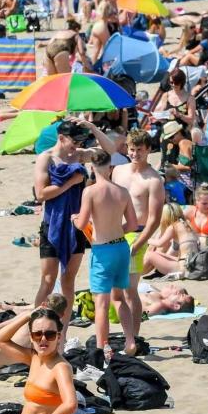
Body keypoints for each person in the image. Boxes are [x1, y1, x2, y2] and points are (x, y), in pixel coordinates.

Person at [73, 148, 139, 358]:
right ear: (110, 168)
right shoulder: (122, 191)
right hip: (121, 246)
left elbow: (82, 223)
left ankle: (103, 348)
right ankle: (130, 340)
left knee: (101, 303)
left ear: (93, 168)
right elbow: (133, 224)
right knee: (119, 298)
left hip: (103, 250)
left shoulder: (90, 191)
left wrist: (74, 219)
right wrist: (116, 229)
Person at [32, 121, 91, 326]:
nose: (77, 144)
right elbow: (41, 194)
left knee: (68, 281)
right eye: (74, 140)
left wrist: (91, 126)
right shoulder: (46, 158)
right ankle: (36, 326)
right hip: (52, 224)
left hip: (76, 225)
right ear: (61, 138)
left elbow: (110, 151)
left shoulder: (80, 155)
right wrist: (70, 183)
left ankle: (63, 332)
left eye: (80, 140)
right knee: (48, 281)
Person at [109, 129, 164, 337]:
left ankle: (134, 335)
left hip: (136, 235)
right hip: (115, 232)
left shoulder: (154, 180)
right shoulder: (118, 171)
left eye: (139, 150)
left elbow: (154, 220)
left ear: (148, 150)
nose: (135, 154)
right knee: (115, 291)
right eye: (132, 150)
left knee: (130, 289)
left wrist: (139, 244)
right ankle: (127, 335)